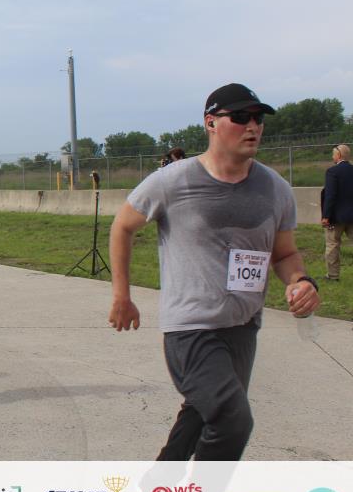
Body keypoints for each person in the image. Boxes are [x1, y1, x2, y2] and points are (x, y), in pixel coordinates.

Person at [108, 82, 321, 461]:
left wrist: (299, 281)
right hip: (191, 329)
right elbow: (122, 226)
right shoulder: (173, 181)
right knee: (232, 420)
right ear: (210, 123)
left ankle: (160, 482)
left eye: (258, 118)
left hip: (243, 326)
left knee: (202, 412)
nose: (252, 126)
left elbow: (285, 253)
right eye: (240, 117)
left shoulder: (275, 188)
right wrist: (122, 297)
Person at [321, 144, 353, 281]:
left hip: (336, 216)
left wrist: (326, 216)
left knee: (332, 245)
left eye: (333, 154)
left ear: (338, 156)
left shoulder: (332, 172)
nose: (332, 156)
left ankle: (333, 276)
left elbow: (330, 195)